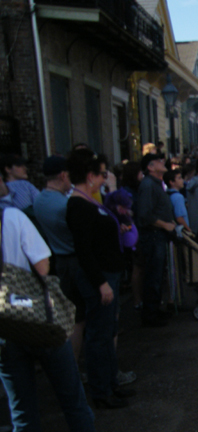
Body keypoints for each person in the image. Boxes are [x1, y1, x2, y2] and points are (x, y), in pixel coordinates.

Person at [0, 206, 133, 432]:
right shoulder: (12, 218)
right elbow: (43, 266)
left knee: (23, 417)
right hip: (37, 321)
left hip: (4, 334)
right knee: (74, 405)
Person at [65, 149, 135, 408]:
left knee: (108, 331)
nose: (106, 179)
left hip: (110, 273)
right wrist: (100, 283)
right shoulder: (78, 205)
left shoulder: (91, 201)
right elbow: (84, 250)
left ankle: (111, 384)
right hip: (100, 277)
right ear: (91, 176)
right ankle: (100, 391)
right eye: (103, 174)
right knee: (98, 334)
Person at [33, 156, 87, 362]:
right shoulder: (66, 205)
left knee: (74, 316)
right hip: (76, 260)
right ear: (63, 175)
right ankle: (76, 364)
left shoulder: (38, 201)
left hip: (59, 259)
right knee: (81, 317)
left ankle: (73, 364)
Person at [135, 153, 176, 327]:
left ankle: (155, 310)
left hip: (158, 236)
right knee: (153, 276)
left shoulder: (157, 184)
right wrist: (164, 225)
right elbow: (145, 214)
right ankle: (150, 315)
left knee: (157, 276)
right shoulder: (148, 185)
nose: (163, 162)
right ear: (150, 167)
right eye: (159, 161)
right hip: (152, 236)